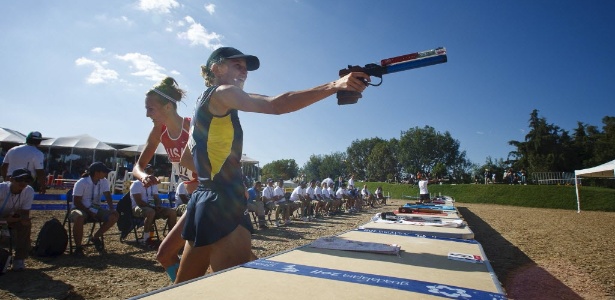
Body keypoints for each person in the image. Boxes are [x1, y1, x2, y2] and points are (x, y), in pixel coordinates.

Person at [176, 46, 369, 283]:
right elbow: (275, 104)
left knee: (183, 289)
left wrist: (206, 176)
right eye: (238, 65)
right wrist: (335, 85)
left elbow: (186, 157)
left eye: (246, 69)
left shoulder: (201, 104)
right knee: (241, 288)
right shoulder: (222, 92)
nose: (244, 72)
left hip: (204, 201)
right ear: (216, 68)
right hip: (223, 203)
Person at [130, 77, 195, 282]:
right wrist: (144, 176)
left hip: (211, 196)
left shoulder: (192, 126)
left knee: (230, 261)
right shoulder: (160, 130)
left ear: (168, 106)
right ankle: (186, 290)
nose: (147, 114)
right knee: (165, 255)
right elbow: (137, 167)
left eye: (150, 108)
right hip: (196, 199)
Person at [69, 162, 119, 255]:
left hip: (95, 208)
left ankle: (95, 237)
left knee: (113, 217)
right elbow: (77, 201)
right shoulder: (82, 182)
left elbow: (107, 195)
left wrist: (112, 209)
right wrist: (88, 211)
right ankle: (78, 247)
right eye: (104, 172)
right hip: (80, 208)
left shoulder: (103, 181)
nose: (105, 174)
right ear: (97, 172)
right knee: (79, 217)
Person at [130, 165, 177, 245]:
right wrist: (152, 207)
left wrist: (158, 205)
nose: (151, 173)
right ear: (143, 173)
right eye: (149, 171)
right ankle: (146, 238)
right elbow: (139, 202)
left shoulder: (153, 185)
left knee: (172, 212)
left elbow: (156, 198)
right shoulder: (136, 185)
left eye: (152, 171)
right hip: (138, 208)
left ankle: (171, 237)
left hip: (152, 207)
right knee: (150, 212)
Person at [0, 169, 34, 271]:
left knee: (25, 225)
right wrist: (4, 220)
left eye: (27, 180)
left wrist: (23, 219)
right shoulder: (1, 189)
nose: (23, 183)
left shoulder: (29, 191)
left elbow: (24, 212)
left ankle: (19, 258)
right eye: (20, 179)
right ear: (11, 179)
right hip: (3, 218)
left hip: (11, 219)